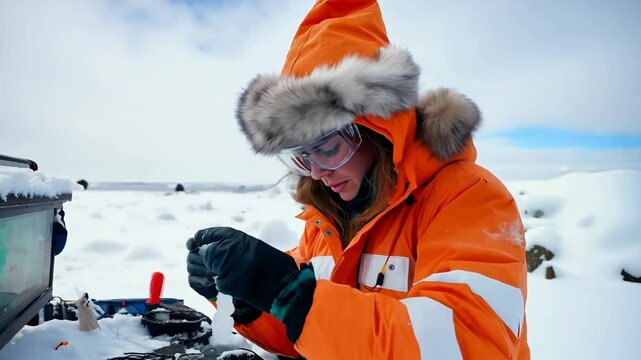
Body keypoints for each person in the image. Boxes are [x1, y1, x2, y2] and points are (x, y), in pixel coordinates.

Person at [186, 0, 530, 359]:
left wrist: (291, 294)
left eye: (327, 148)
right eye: (301, 157)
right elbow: (312, 337)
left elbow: (469, 343)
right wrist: (247, 301)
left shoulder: (468, 196)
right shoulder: (329, 218)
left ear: (378, 129)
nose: (316, 172)